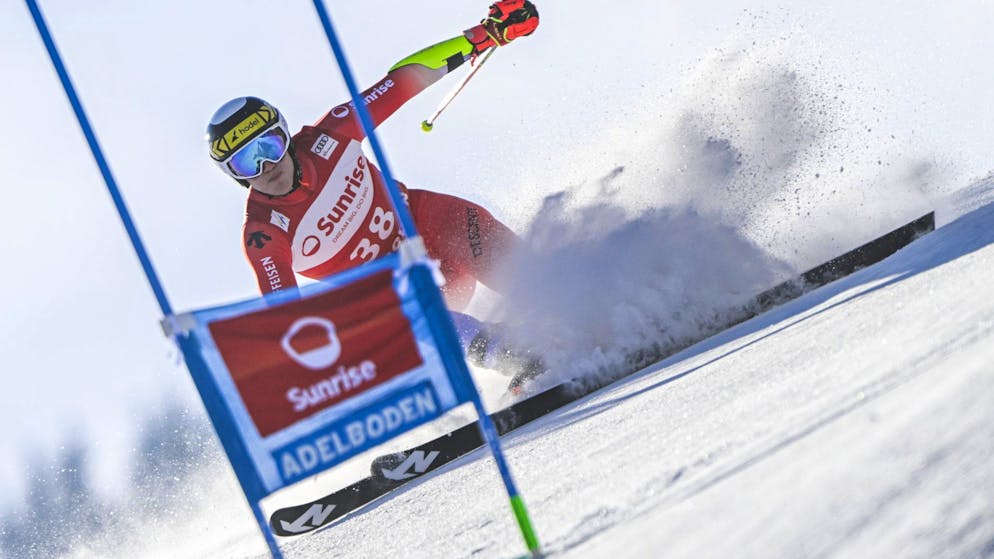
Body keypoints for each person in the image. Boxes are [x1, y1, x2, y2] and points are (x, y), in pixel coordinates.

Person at [205, 1, 542, 392]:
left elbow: (402, 82)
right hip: (411, 295)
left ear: (285, 134)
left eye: (269, 145)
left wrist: (481, 37)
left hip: (433, 229)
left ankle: (573, 306)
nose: (266, 166)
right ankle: (513, 353)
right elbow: (287, 313)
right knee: (401, 314)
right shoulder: (264, 234)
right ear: (234, 178)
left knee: (473, 231)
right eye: (246, 164)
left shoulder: (331, 134)